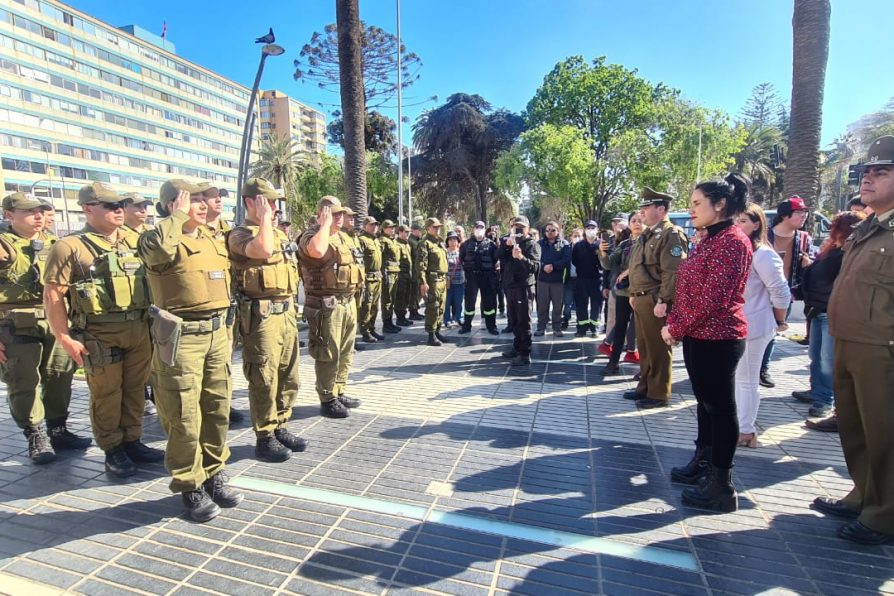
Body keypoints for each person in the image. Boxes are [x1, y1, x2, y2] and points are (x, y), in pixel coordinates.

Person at [137, 179, 241, 522]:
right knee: (183, 414)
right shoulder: (158, 238)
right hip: (181, 337)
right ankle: (189, 484)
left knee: (216, 407)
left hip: (216, 333)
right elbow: (156, 252)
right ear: (171, 204)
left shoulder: (211, 238)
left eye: (203, 199)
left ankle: (213, 473)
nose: (201, 204)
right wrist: (176, 218)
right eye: (192, 199)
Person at [43, 182, 163, 477]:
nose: (118, 210)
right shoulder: (69, 246)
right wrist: (64, 337)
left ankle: (133, 440)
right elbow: (53, 295)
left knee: (135, 390)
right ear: (87, 209)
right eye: (109, 206)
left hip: (138, 328)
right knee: (107, 393)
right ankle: (112, 448)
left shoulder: (134, 240)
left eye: (120, 205)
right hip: (99, 333)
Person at [814, 136, 894, 545]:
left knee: (885, 433)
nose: (868, 179)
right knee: (855, 427)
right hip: (849, 339)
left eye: (881, 172)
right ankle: (863, 494)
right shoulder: (869, 228)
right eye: (867, 173)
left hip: (882, 348)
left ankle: (885, 515)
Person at [663, 173, 752, 512]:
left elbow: (711, 299)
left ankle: (721, 485)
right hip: (700, 335)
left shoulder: (731, 241)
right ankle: (703, 463)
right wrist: (678, 322)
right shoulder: (710, 239)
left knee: (721, 408)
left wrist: (676, 327)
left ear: (721, 205)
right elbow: (692, 290)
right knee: (706, 405)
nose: (692, 209)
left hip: (719, 337)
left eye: (697, 203)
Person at [0, 193, 88, 464]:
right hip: (14, 322)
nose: (38, 216)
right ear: (9, 215)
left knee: (59, 376)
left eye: (41, 210)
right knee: (24, 381)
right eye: (29, 211)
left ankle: (58, 429)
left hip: (55, 320)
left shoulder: (56, 244)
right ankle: (35, 434)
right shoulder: (3, 245)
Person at [227, 178, 305, 464]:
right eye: (268, 202)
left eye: (275, 203)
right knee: (264, 377)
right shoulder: (239, 234)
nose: (274, 208)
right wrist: (263, 221)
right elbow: (259, 251)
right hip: (260, 317)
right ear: (251, 202)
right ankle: (264, 436)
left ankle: (281, 424)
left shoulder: (279, 235)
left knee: (288, 374)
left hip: (285, 313)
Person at [297, 196, 364, 419]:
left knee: (346, 351)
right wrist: (324, 226)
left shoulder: (345, 238)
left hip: (347, 302)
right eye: (333, 214)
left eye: (340, 214)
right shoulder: (312, 236)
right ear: (321, 215)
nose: (339, 218)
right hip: (327, 306)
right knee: (328, 352)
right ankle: (327, 397)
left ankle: (339, 390)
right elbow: (316, 252)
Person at [794, 211, 866, 419]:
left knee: (826, 359)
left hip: (829, 311)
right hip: (817, 309)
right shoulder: (833, 250)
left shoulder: (848, 252)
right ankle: (818, 392)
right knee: (815, 356)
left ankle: (825, 400)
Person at [733, 204, 791, 448]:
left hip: (755, 325)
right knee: (738, 378)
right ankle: (740, 424)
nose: (738, 226)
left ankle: (746, 429)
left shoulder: (763, 254)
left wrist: (779, 320)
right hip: (737, 325)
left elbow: (780, 291)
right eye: (735, 221)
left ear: (757, 224)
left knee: (747, 379)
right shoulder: (738, 251)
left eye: (744, 221)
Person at [625, 188, 688, 409]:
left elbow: (673, 271)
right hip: (641, 298)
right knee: (645, 346)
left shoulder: (670, 234)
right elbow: (636, 268)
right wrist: (633, 294)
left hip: (655, 300)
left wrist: (664, 301)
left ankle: (659, 393)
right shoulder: (647, 234)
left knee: (658, 349)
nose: (641, 212)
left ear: (661, 210)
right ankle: (645, 387)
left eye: (646, 207)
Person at [759, 195, 813, 388]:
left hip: (786, 293)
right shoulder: (765, 236)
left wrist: (808, 262)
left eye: (804, 213)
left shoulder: (804, 238)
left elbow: (812, 261)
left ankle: (762, 369)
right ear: (784, 216)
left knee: (773, 331)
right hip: (760, 293)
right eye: (799, 213)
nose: (803, 217)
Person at [122, 192, 158, 417]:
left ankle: (155, 393)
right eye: (137, 206)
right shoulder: (117, 236)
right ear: (123, 208)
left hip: (153, 302)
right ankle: (142, 396)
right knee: (136, 359)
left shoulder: (151, 234)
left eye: (145, 206)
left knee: (156, 352)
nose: (143, 210)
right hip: (130, 305)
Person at [599, 212, 644, 375]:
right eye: (634, 220)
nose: (637, 223)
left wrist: (629, 271)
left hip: (643, 292)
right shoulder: (625, 243)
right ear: (629, 224)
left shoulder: (650, 241)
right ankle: (613, 362)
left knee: (643, 330)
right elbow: (610, 264)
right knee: (620, 327)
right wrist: (602, 253)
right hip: (625, 292)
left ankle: (645, 367)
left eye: (640, 220)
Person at [496, 216, 541, 365]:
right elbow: (497, 257)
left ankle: (525, 353)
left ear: (527, 229)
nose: (518, 230)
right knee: (513, 319)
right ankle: (516, 347)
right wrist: (506, 246)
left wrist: (521, 257)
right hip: (510, 286)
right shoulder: (508, 242)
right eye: (515, 227)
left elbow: (535, 267)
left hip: (524, 287)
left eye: (521, 227)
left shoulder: (532, 245)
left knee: (524, 321)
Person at [458, 221, 499, 335]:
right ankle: (466, 326)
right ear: (473, 229)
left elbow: (495, 259)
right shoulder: (465, 244)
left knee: (489, 303)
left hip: (487, 276)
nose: (479, 229)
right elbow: (461, 259)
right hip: (471, 277)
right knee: (469, 303)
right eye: (477, 227)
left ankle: (491, 326)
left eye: (481, 227)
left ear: (485, 229)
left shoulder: (491, 244)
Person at [416, 218, 450, 346]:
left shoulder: (439, 243)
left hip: (442, 279)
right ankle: (431, 334)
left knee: (441, 307)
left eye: (438, 227)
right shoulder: (425, 243)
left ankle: (438, 330)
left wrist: (447, 277)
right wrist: (423, 282)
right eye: (434, 227)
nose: (437, 229)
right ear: (428, 228)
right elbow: (420, 265)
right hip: (433, 280)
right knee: (433, 307)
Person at [535, 220, 571, 337]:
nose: (550, 232)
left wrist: (553, 266)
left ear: (558, 231)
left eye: (553, 230)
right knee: (542, 305)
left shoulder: (564, 244)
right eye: (547, 230)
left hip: (557, 281)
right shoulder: (539, 244)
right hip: (542, 280)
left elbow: (566, 260)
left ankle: (556, 328)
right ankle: (541, 327)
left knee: (557, 306)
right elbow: (535, 259)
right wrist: (544, 266)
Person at [571, 221, 603, 338]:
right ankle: (581, 328)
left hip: (597, 280)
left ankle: (594, 328)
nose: (590, 230)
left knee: (596, 305)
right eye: (588, 228)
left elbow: (604, 262)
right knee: (581, 305)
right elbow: (574, 261)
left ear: (597, 229)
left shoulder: (601, 244)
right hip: (582, 280)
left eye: (593, 227)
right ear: (585, 230)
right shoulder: (578, 246)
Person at [357, 216, 384, 343]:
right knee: (366, 306)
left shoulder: (376, 240)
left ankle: (372, 328)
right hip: (368, 278)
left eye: (376, 225)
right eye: (372, 225)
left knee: (374, 306)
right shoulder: (361, 240)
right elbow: (359, 261)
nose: (375, 227)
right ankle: (365, 332)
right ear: (364, 226)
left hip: (377, 277)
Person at [378, 220, 403, 333]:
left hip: (395, 272)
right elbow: (379, 258)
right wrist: (383, 272)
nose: (392, 229)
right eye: (389, 227)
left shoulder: (392, 241)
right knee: (387, 299)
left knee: (392, 299)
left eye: (393, 227)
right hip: (388, 273)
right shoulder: (383, 241)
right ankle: (386, 324)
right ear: (383, 229)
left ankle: (390, 322)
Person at [394, 224, 415, 327]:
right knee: (400, 297)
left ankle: (403, 317)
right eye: (406, 232)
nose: (407, 234)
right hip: (401, 275)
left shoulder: (407, 244)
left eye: (408, 232)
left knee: (407, 296)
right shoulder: (396, 244)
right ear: (400, 232)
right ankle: (399, 318)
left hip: (408, 274)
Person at [443, 231, 465, 328]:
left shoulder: (461, 253)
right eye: (450, 240)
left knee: (459, 302)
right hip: (447, 283)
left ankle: (459, 318)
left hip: (460, 282)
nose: (452, 242)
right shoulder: (444, 253)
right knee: (447, 303)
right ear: (447, 241)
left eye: (455, 239)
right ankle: (447, 320)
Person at [562, 228, 581, 329]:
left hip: (581, 279)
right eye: (575, 236)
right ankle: (566, 319)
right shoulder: (567, 248)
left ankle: (579, 320)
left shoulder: (583, 247)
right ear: (571, 237)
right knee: (567, 301)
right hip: (569, 279)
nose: (577, 238)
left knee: (580, 301)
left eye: (579, 235)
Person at [407, 221, 424, 321]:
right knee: (414, 292)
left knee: (417, 291)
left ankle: (415, 310)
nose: (420, 232)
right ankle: (412, 312)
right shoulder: (411, 241)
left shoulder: (417, 240)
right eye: (419, 230)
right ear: (414, 231)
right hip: (413, 269)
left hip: (416, 269)